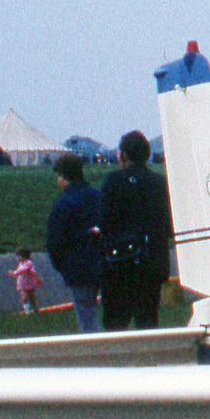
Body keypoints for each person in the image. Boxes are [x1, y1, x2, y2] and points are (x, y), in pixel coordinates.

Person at [99, 130, 172, 330]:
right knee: (147, 322)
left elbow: (104, 221)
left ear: (123, 155)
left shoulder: (113, 180)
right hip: (151, 263)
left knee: (115, 324)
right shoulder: (159, 182)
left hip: (120, 264)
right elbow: (167, 223)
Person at [47, 153, 102, 333]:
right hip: (103, 261)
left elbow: (55, 241)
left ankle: (95, 354)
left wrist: (63, 266)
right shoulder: (98, 195)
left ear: (63, 176)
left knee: (87, 316)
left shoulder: (63, 204)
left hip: (78, 267)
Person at [11, 247, 41, 313]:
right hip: (22, 283)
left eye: (19, 256)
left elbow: (23, 269)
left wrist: (14, 273)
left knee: (32, 297)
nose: (17, 258)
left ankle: (35, 309)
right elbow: (19, 269)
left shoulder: (28, 263)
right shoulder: (21, 263)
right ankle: (27, 311)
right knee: (24, 297)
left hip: (30, 282)